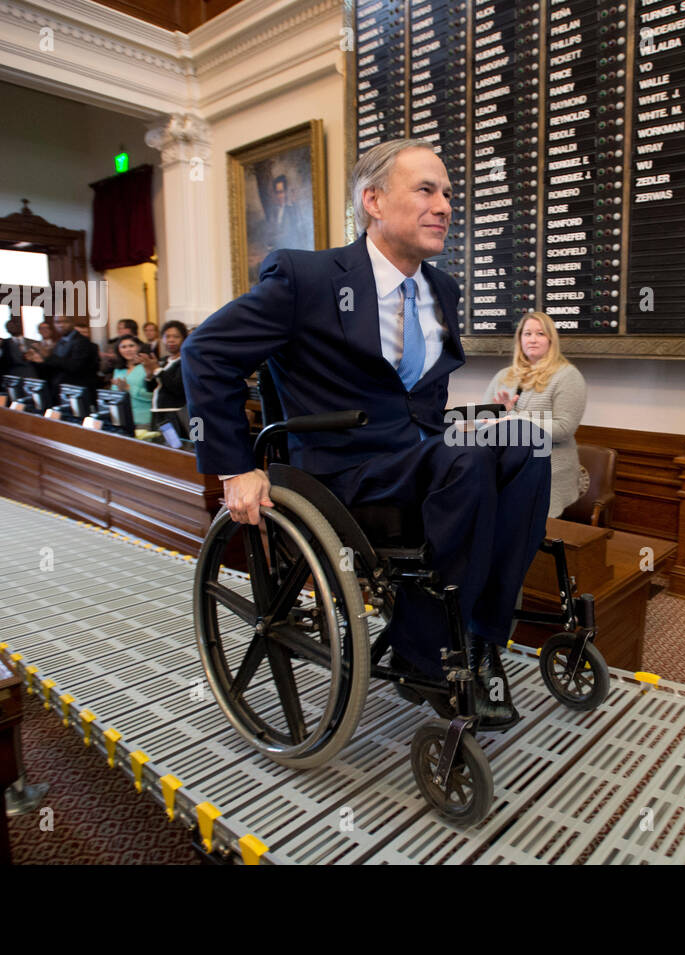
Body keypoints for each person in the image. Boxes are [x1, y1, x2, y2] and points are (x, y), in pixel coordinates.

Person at [183, 138, 550, 730]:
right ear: (373, 200)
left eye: (449, 194)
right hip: (339, 472)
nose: (444, 205)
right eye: (426, 190)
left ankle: (480, 640)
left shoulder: (442, 290)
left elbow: (420, 398)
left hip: (419, 460)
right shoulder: (306, 277)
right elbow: (205, 353)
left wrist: (479, 428)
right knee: (470, 461)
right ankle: (427, 651)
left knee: (525, 444)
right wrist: (236, 467)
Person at [483, 311, 587, 518]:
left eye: (540, 334)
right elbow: (481, 422)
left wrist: (515, 419)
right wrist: (497, 416)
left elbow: (564, 429)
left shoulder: (567, 376)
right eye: (527, 333)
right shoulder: (503, 376)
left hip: (548, 470)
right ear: (519, 339)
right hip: (503, 466)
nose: (532, 339)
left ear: (550, 339)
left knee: (525, 528)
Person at [25, 314, 99, 391]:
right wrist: (38, 362)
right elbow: (54, 367)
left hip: (76, 388)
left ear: (72, 323)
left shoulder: (82, 341)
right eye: (57, 322)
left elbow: (75, 366)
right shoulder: (60, 341)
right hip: (60, 387)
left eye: (64, 322)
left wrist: (49, 355)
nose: (61, 325)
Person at [143, 320, 187, 431]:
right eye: (167, 336)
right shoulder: (163, 361)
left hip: (174, 414)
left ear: (184, 339)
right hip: (157, 411)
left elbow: (177, 387)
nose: (171, 340)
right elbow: (152, 389)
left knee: (174, 447)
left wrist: (157, 370)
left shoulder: (185, 362)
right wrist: (149, 376)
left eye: (176, 336)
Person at [109, 334, 153, 429]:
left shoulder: (146, 367)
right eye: (123, 347)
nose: (128, 350)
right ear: (119, 350)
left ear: (139, 347)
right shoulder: (118, 370)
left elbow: (153, 396)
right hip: (121, 418)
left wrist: (128, 388)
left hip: (142, 419)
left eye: (131, 346)